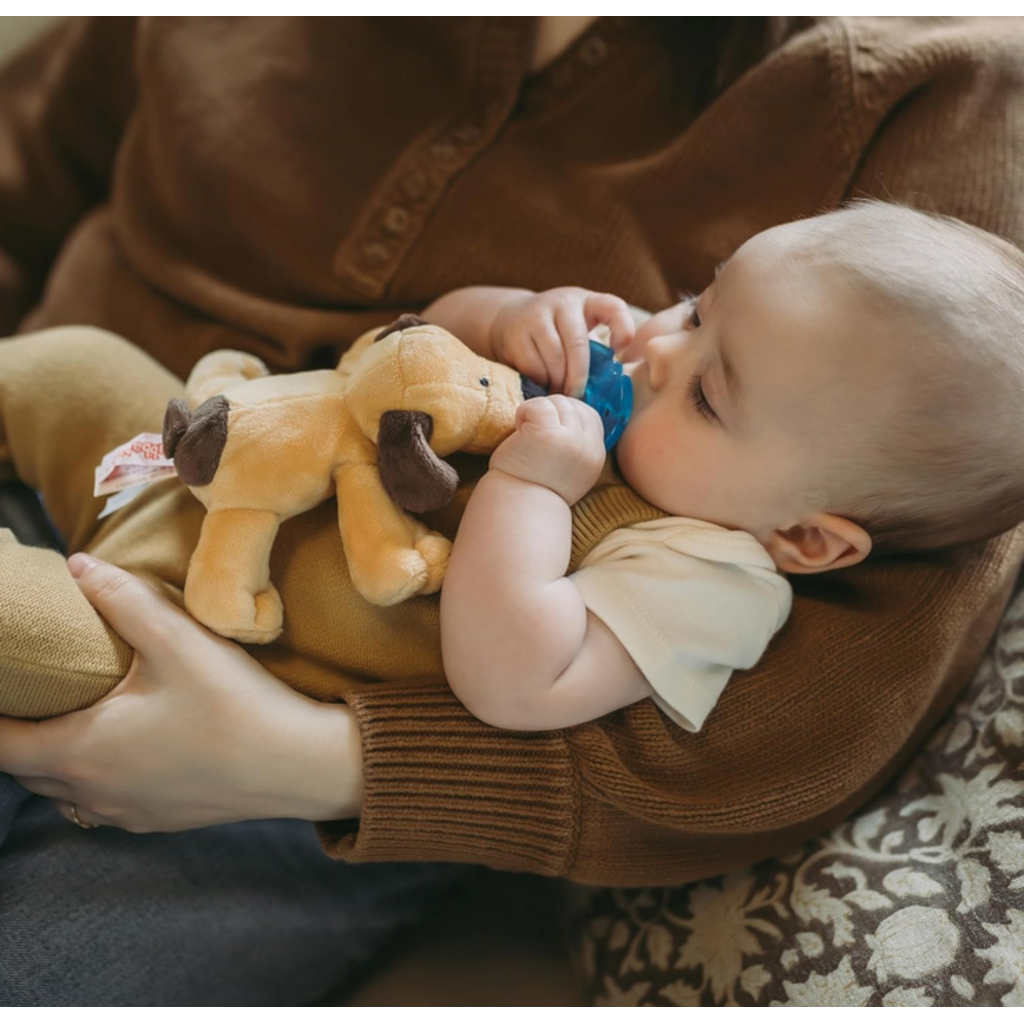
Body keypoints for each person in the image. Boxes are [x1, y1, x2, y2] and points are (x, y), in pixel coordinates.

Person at [1, 15, 1024, 1007]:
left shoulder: (703, 569)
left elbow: (517, 675)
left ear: (805, 536)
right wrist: (498, 315)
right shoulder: (598, 395)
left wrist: (302, 754)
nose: (656, 346)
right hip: (146, 450)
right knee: (61, 371)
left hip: (276, 690)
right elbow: (411, 359)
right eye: (697, 305)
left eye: (709, 392)